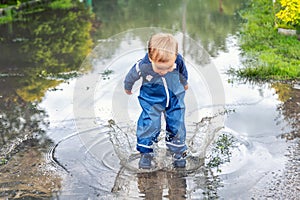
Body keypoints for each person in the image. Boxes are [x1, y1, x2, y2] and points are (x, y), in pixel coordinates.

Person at [124, 33, 188, 169]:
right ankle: (146, 153)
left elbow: (183, 71)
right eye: (159, 68)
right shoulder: (143, 65)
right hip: (152, 99)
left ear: (175, 56)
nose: (164, 72)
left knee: (177, 122)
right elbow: (131, 76)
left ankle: (177, 152)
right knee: (150, 123)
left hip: (175, 97)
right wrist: (128, 87)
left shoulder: (178, 60)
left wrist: (184, 82)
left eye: (168, 68)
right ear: (151, 58)